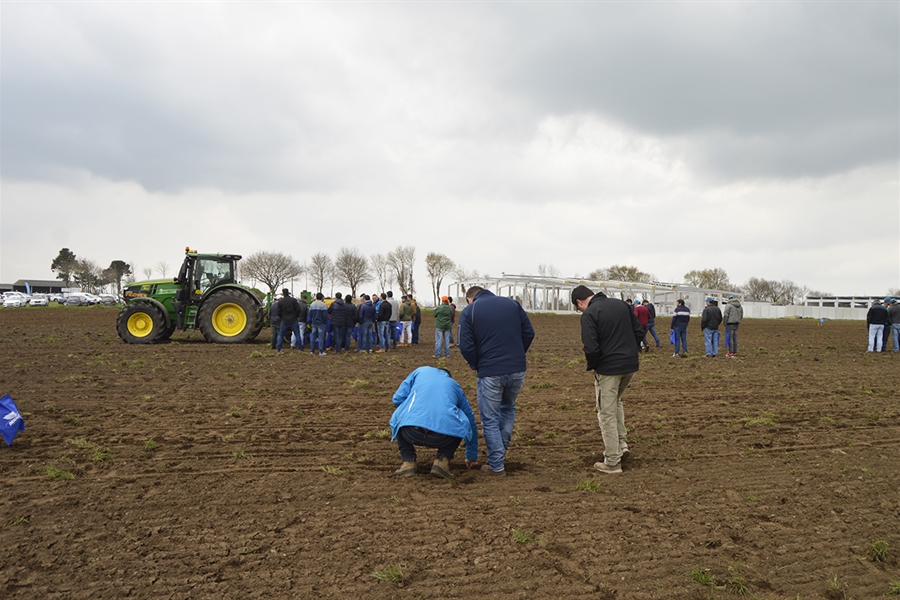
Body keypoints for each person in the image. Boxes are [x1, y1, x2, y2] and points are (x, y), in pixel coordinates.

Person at [458, 286, 534, 477]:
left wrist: (476, 364)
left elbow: (465, 345)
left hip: (490, 370)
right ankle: (498, 457)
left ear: (470, 298)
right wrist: (517, 354)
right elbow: (529, 333)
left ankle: (497, 466)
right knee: (508, 409)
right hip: (517, 369)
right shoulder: (512, 304)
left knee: (490, 419)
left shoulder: (470, 310)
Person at [571, 285, 644, 475]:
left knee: (606, 413)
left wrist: (593, 365)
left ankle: (612, 461)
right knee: (616, 403)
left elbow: (591, 347)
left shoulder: (589, 314)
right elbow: (639, 331)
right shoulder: (621, 305)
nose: (580, 310)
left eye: (578, 307)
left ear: (579, 302)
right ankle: (622, 445)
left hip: (609, 369)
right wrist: (631, 352)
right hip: (630, 365)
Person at [389, 366, 479, 480]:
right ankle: (441, 462)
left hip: (411, 432)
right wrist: (472, 454)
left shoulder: (420, 371)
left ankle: (408, 462)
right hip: (442, 437)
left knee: (400, 415)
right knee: (459, 421)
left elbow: (397, 399)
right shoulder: (455, 385)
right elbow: (470, 419)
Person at [275, 289, 303, 353]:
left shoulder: (280, 302)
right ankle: (300, 348)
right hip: (293, 320)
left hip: (284, 320)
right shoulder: (293, 300)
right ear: (288, 293)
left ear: (283, 293)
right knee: (297, 334)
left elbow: (278, 312)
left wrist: (282, 317)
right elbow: (298, 309)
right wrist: (296, 316)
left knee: (281, 335)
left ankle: (278, 349)